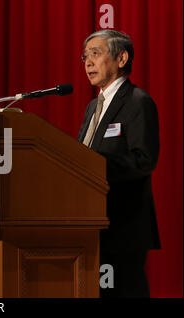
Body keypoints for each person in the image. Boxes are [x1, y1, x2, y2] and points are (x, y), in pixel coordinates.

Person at [77, 30, 160, 297]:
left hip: (123, 225)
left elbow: (144, 159)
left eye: (96, 53)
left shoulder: (138, 101)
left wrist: (94, 166)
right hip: (93, 222)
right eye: (85, 56)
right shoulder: (93, 106)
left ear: (122, 58)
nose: (88, 62)